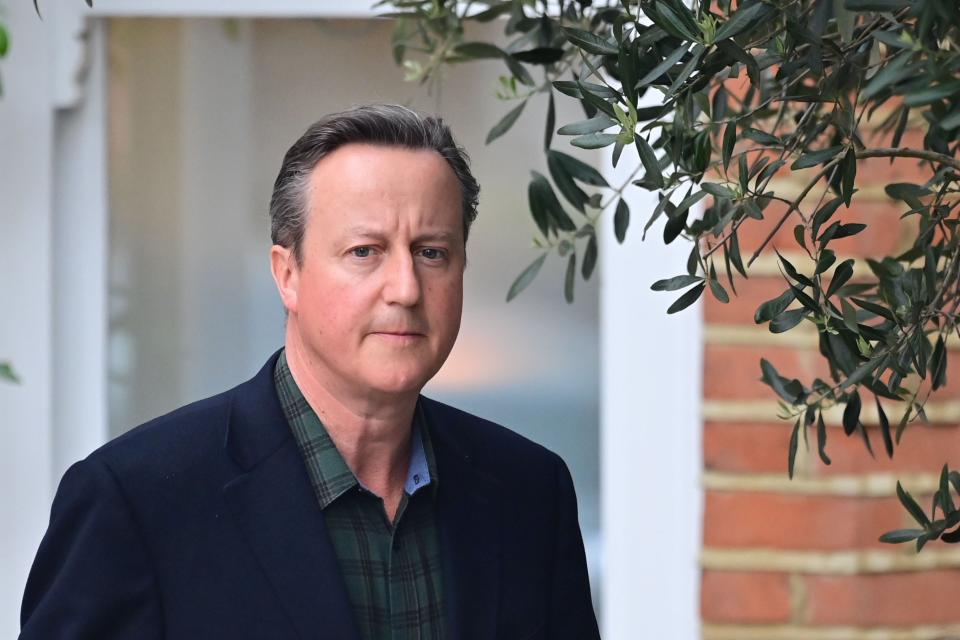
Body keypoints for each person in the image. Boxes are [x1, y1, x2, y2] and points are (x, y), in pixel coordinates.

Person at [19, 104, 600, 640]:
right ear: (287, 274)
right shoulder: (134, 504)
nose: (405, 288)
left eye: (432, 252)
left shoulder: (530, 493)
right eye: (364, 251)